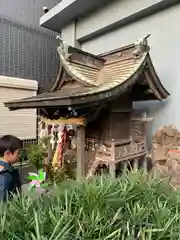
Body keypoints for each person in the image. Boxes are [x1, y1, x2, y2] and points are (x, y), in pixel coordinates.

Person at [0, 135, 22, 202]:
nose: (19, 156)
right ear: (7, 153)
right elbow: (3, 199)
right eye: (18, 153)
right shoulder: (8, 174)